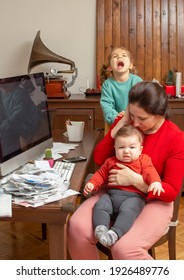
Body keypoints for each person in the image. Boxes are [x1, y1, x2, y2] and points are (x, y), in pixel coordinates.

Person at [68, 81, 184, 260]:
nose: (135, 123)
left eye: (142, 118)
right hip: (113, 193)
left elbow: (171, 192)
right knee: (76, 227)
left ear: (159, 114)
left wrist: (135, 180)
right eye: (132, 114)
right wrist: (119, 125)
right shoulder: (127, 123)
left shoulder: (176, 138)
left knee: (124, 248)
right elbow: (99, 159)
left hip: (154, 200)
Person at [83, 125, 163, 247]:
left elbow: (150, 172)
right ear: (115, 148)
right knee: (100, 205)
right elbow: (101, 174)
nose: (126, 151)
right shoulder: (110, 162)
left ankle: (115, 233)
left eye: (132, 147)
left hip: (133, 198)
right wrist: (92, 183)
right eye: (121, 147)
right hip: (111, 196)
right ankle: (101, 228)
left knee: (129, 211)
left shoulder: (143, 160)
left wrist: (155, 182)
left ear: (140, 149)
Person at [100, 47, 142, 131]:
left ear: (130, 65)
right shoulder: (107, 85)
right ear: (110, 67)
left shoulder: (137, 81)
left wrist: (132, 116)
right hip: (115, 123)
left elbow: (142, 103)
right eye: (115, 56)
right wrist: (117, 117)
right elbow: (107, 106)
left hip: (135, 122)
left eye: (124, 55)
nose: (119, 57)